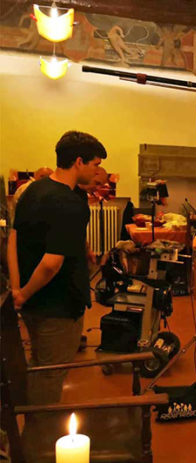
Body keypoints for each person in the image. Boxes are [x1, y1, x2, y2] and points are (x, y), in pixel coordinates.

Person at [7, 131, 106, 414]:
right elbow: (51, 263)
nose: (97, 171)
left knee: (38, 364)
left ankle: (27, 420)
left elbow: (13, 239)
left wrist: (18, 289)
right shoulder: (68, 204)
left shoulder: (32, 190)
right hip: (58, 307)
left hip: (32, 302)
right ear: (78, 161)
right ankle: (38, 434)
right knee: (50, 374)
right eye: (95, 164)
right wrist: (24, 294)